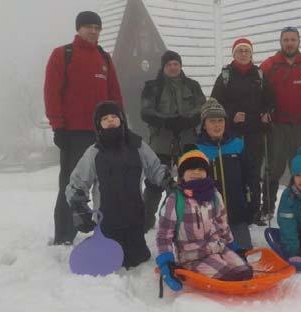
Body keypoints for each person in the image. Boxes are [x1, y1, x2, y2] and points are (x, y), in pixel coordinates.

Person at [44, 11, 123, 245]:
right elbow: (51, 92)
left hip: (104, 133)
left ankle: (108, 230)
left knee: (107, 183)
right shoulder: (62, 55)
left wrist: (121, 125)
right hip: (74, 133)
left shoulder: (104, 58)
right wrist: (58, 126)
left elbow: (115, 95)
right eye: (88, 26)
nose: (93, 31)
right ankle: (65, 236)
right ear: (78, 28)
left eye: (97, 27)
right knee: (71, 184)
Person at [66, 101, 168, 268]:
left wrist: (167, 181)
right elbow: (77, 182)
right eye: (105, 118)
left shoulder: (138, 146)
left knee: (138, 259)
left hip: (135, 217)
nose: (111, 120)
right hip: (107, 219)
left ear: (122, 120)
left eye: (114, 117)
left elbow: (155, 168)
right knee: (112, 260)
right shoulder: (94, 152)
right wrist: (78, 205)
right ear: (99, 125)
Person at [156, 147, 253, 291]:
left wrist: (233, 246)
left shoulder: (213, 195)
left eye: (200, 169)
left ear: (207, 173)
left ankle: (225, 260)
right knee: (228, 278)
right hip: (193, 256)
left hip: (218, 248)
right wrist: (166, 262)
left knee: (245, 271)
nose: (196, 172)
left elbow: (222, 223)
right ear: (182, 174)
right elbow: (164, 235)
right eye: (191, 169)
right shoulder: (176, 199)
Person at [259, 26, 301, 220]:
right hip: (277, 125)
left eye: (292, 39)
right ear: (280, 42)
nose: (289, 43)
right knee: (274, 167)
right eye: (286, 39)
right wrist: (262, 112)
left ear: (299, 42)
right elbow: (258, 91)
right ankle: (268, 207)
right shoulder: (270, 65)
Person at [210, 38, 275, 225]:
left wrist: (267, 114)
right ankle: (234, 210)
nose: (244, 54)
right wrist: (230, 116)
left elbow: (271, 101)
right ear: (234, 54)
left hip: (255, 132)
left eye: (247, 50)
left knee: (254, 172)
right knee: (234, 171)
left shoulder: (260, 75)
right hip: (232, 132)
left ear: (251, 54)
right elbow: (214, 104)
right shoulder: (225, 76)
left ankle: (254, 210)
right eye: (240, 51)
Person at [140, 50, 206, 232]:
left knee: (190, 179)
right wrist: (166, 120)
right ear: (163, 66)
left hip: (188, 140)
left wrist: (187, 119)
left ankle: (190, 216)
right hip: (161, 141)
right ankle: (146, 220)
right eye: (169, 64)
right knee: (154, 182)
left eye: (176, 63)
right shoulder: (152, 87)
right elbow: (145, 111)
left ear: (180, 65)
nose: (173, 67)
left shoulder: (193, 86)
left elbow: (202, 107)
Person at [195, 98, 259, 250]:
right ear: (204, 124)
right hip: (209, 217)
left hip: (236, 214)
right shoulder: (197, 149)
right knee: (215, 254)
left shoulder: (237, 145)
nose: (217, 125)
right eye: (212, 121)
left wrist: (253, 203)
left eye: (220, 120)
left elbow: (251, 176)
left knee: (244, 251)